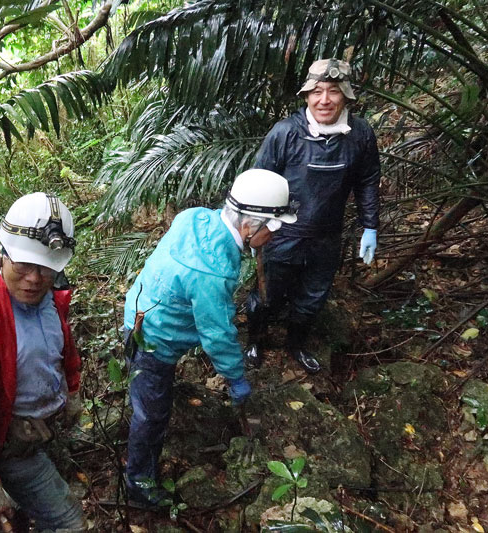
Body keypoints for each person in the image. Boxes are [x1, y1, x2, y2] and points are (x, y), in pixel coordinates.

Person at [122, 169, 296, 506]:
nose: (273, 238)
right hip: (153, 338)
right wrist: (234, 377)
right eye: (271, 230)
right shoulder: (211, 273)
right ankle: (138, 485)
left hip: (142, 309)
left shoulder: (196, 217)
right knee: (151, 416)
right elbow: (217, 334)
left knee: (152, 396)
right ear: (249, 226)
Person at [0, 192, 85, 532]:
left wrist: (73, 387)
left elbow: (62, 345)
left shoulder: (49, 297)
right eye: (24, 264)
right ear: (1, 253)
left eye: (46, 267)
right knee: (68, 522)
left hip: (42, 430)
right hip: (11, 444)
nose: (35, 278)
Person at [247, 58, 381, 374]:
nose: (324, 100)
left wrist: (370, 226)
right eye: (317, 91)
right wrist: (254, 226)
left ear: (346, 96)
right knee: (268, 294)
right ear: (307, 95)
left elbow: (367, 180)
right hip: (283, 233)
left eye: (333, 91)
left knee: (313, 297)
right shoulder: (285, 133)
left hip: (327, 234)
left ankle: (297, 345)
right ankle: (255, 340)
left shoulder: (360, 134)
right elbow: (259, 179)